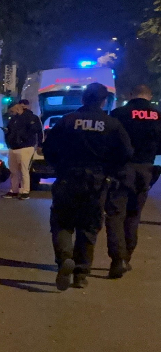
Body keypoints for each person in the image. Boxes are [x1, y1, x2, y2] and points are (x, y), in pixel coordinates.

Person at [41, 83, 132, 290]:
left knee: (62, 223)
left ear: (83, 99)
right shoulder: (112, 124)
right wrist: (109, 169)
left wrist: (59, 167)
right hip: (96, 182)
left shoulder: (68, 121)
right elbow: (126, 152)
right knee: (88, 227)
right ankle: (81, 274)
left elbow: (49, 148)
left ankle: (65, 259)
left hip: (68, 178)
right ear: (104, 101)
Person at [105, 84, 161, 278]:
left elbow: (108, 141)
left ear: (130, 95)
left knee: (115, 214)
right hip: (146, 169)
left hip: (121, 169)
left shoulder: (118, 114)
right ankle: (127, 257)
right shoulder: (158, 115)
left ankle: (117, 259)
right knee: (133, 215)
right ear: (150, 96)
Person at [3, 100, 43, 199]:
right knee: (13, 170)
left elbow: (38, 132)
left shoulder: (32, 118)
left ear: (17, 108)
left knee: (24, 170)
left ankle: (25, 191)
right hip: (13, 147)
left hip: (26, 147)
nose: (11, 113)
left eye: (12, 111)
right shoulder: (14, 119)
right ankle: (14, 190)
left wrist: (40, 145)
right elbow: (10, 130)